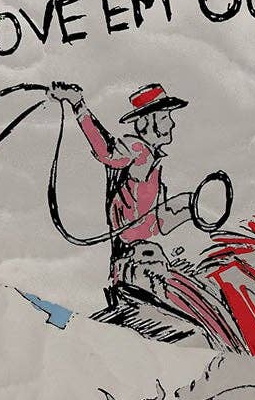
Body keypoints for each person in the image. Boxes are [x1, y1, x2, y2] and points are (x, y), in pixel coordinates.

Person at [59, 82, 201, 330]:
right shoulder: (136, 149)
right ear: (147, 121)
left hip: (140, 247)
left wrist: (191, 207)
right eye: (165, 117)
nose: (172, 124)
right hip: (131, 254)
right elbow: (106, 152)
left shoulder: (150, 157)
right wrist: (78, 105)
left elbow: (155, 219)